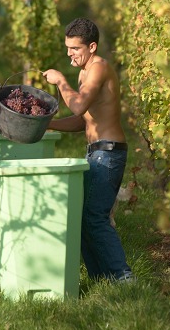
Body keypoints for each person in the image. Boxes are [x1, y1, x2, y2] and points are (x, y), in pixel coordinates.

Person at [43, 17, 135, 283]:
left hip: (109, 152)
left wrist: (61, 81)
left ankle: (123, 276)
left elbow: (78, 106)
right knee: (82, 216)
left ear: (92, 47)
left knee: (95, 217)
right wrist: (48, 124)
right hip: (96, 151)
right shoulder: (84, 71)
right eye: (68, 48)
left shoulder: (98, 68)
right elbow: (81, 119)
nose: (69, 54)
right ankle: (101, 279)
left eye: (75, 49)